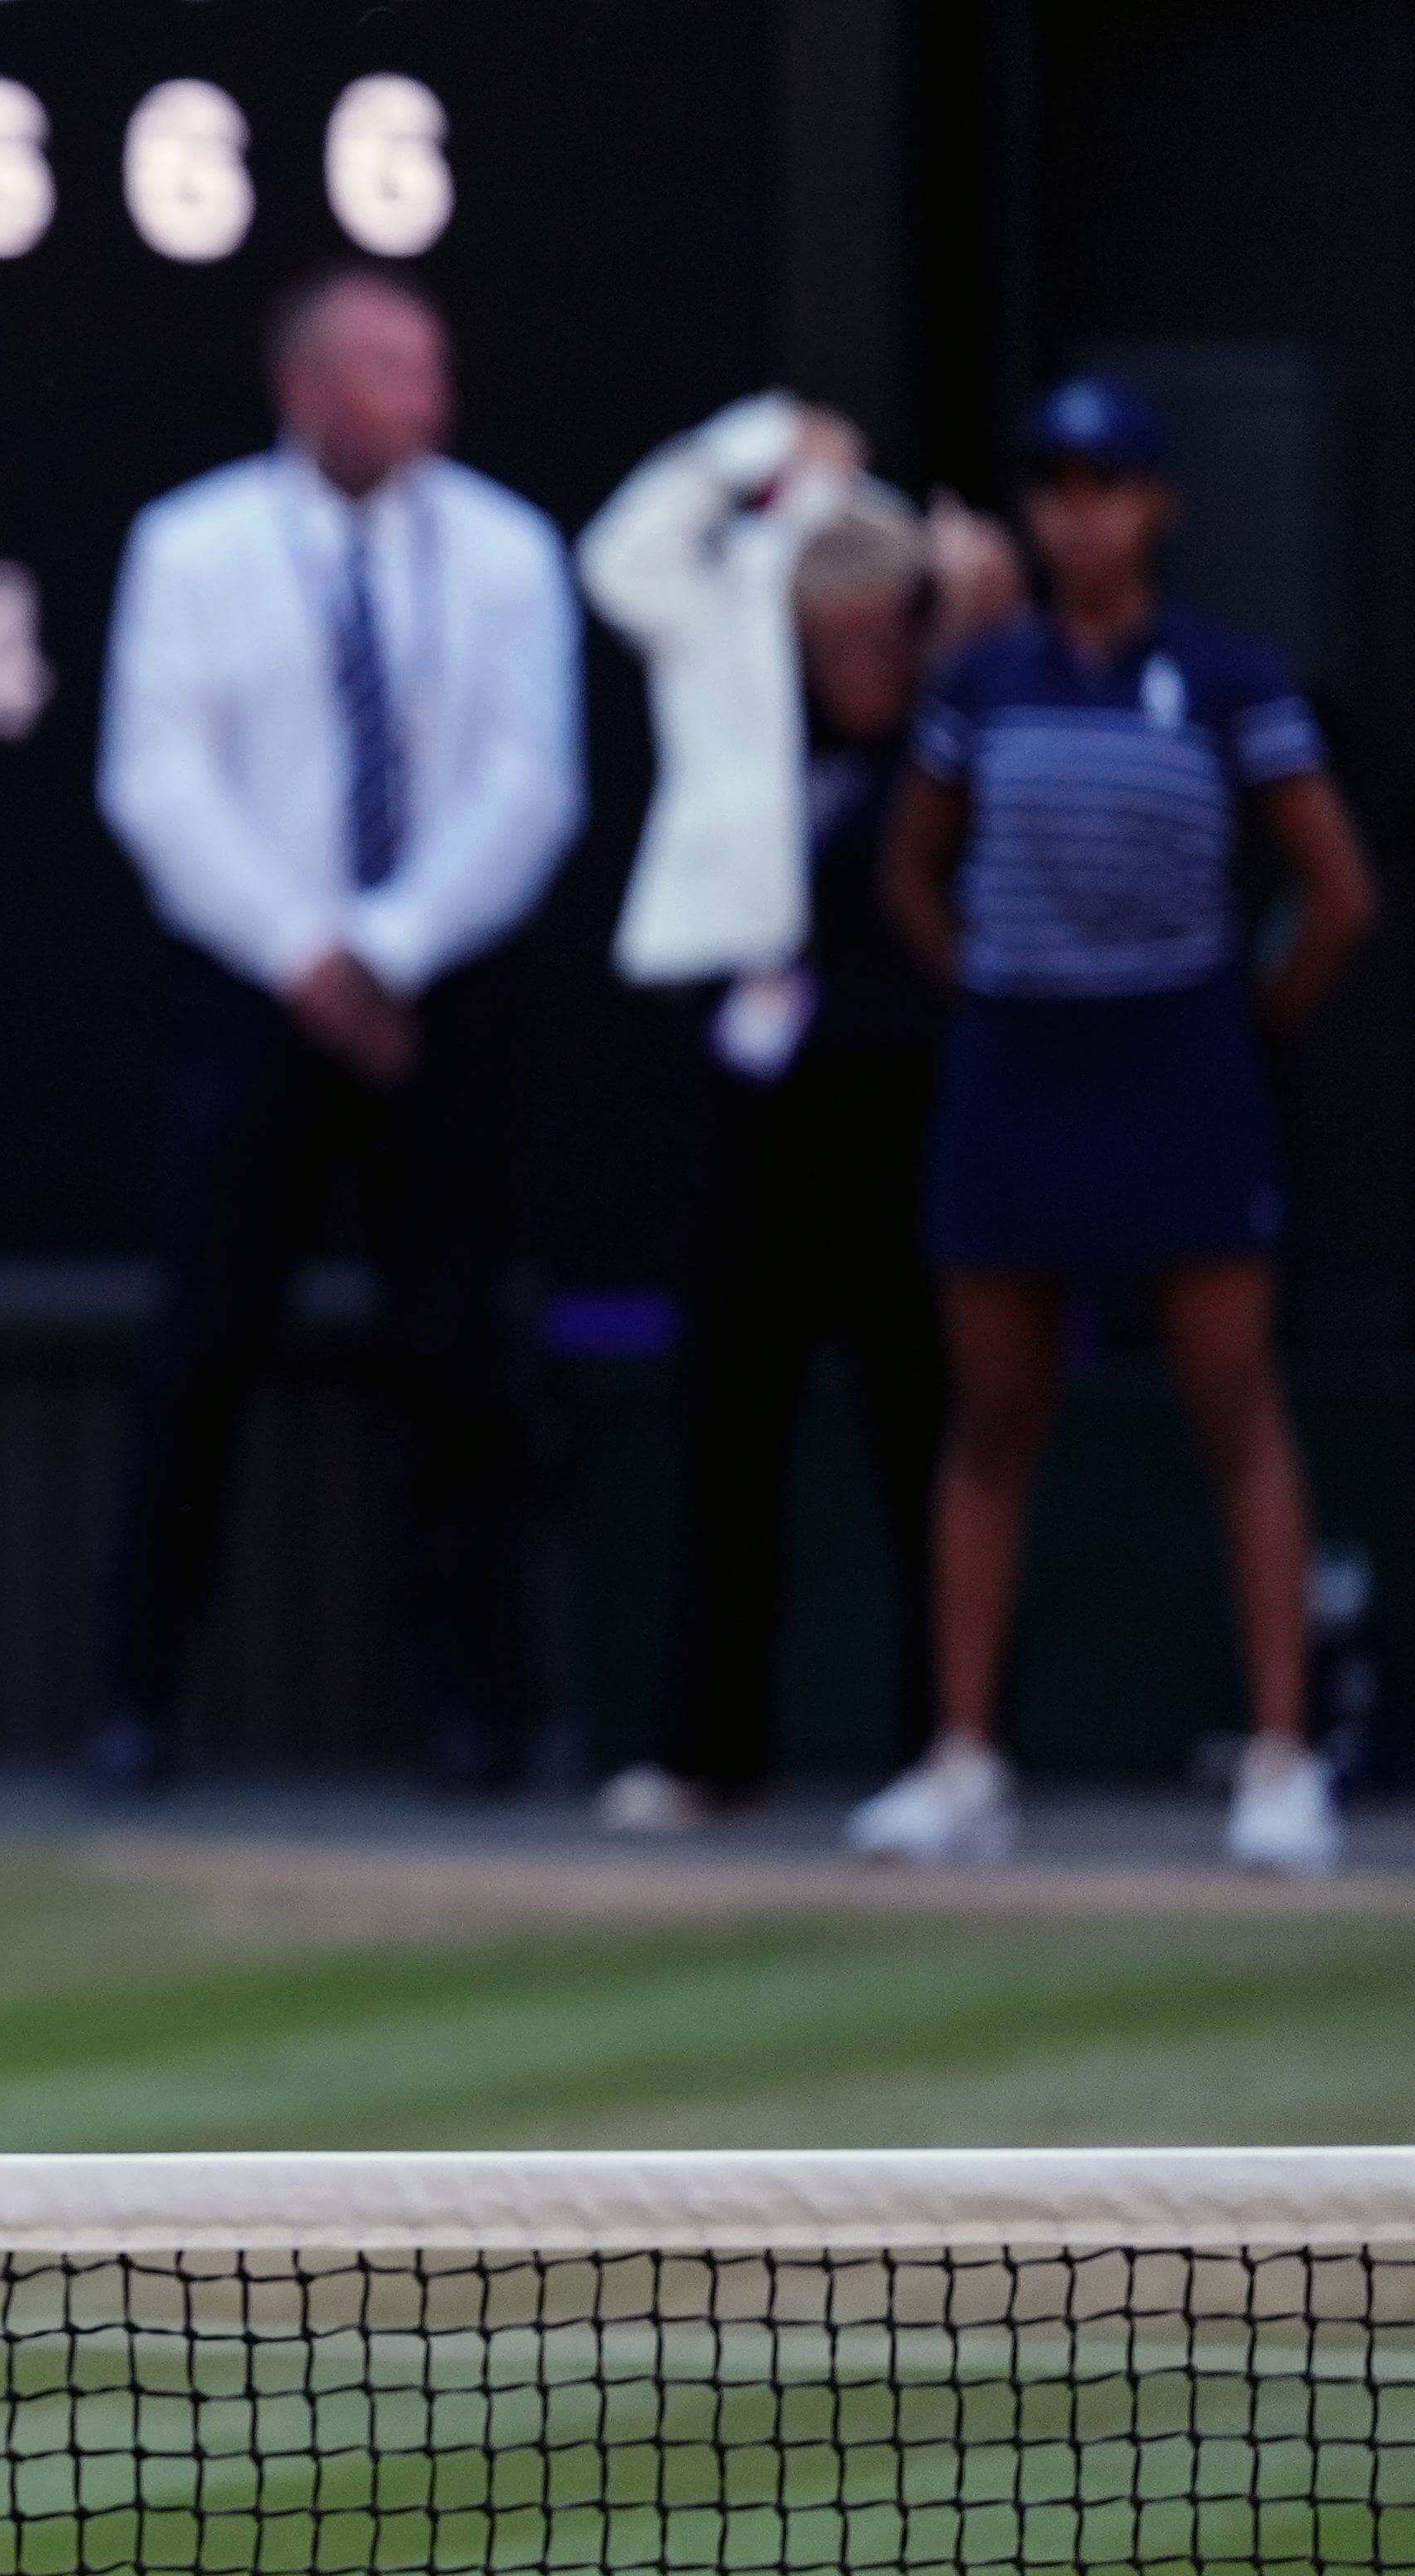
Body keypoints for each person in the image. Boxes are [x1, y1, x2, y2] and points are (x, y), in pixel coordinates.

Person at [849, 373, 1380, 1873]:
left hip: (1178, 1075)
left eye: (1105, 487)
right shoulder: (981, 681)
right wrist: (994, 985)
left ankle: (1279, 1760)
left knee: (1233, 1401)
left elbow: (1335, 895)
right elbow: (912, 871)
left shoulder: (1227, 679)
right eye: (1053, 488)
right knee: (992, 1412)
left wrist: (1240, 1022)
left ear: (1153, 506)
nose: (1076, 516)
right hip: (1019, 1075)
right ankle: (961, 1759)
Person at [89, 263, 584, 1795]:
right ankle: (138, 1701)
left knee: (458, 1348)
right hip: (250, 994)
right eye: (390, 368)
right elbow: (155, 778)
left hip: (440, 992)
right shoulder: (191, 547)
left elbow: (529, 784)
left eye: (433, 367)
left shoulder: (506, 549)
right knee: (199, 1346)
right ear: (306, 388)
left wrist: (389, 945)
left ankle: (478, 1710)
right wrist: (306, 953)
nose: (427, 399)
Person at [576, 396, 985, 1828]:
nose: (862, 653)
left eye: (886, 625)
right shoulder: (732, 680)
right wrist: (756, 449)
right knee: (728, 1423)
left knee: (918, 1419)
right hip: (757, 1100)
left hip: (906, 1100)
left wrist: (937, 577)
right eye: (836, 629)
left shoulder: (957, 716)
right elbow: (624, 555)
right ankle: (707, 1745)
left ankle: (945, 1746)